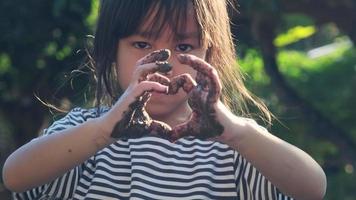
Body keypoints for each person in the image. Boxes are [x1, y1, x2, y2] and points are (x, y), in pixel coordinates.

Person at [2, 0, 326, 199]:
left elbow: (313, 188)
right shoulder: (86, 132)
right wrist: (102, 132)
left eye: (184, 47)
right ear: (111, 52)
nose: (164, 62)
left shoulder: (232, 142)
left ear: (208, 56)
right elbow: (15, 177)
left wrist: (237, 132)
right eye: (142, 44)